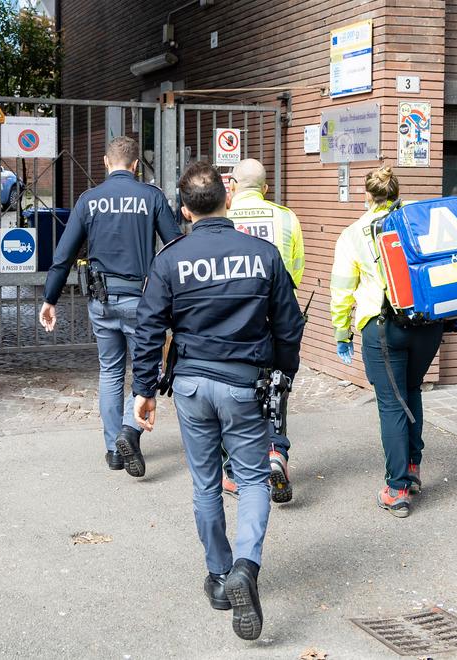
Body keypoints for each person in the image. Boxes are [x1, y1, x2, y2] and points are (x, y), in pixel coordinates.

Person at [131, 162, 304, 640]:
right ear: (226, 200)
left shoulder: (171, 260)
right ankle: (246, 567)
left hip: (189, 385)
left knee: (206, 484)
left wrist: (144, 391)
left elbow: (148, 331)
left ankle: (218, 576)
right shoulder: (263, 254)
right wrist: (283, 373)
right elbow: (289, 324)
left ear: (185, 210)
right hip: (243, 383)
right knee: (250, 479)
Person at [39, 136, 182, 476]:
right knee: (149, 368)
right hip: (144, 302)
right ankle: (129, 435)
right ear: (136, 165)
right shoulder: (152, 197)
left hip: (101, 301)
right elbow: (175, 247)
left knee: (110, 371)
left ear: (105, 162)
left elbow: (63, 256)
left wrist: (50, 299)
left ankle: (114, 448)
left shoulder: (89, 200)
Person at [329, 166, 444, 518]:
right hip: (428, 325)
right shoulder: (420, 220)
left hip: (383, 330)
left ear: (367, 195)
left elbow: (342, 291)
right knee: (412, 390)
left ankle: (396, 489)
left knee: (392, 404)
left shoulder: (353, 234)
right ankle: (412, 467)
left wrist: (341, 333)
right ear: (397, 193)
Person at [224, 158, 305, 503]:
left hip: (233, 321)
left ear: (232, 186)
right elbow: (296, 271)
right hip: (275, 318)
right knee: (275, 390)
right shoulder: (286, 217)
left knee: (233, 393)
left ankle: (234, 471)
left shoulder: (222, 220)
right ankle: (276, 453)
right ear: (266, 188)